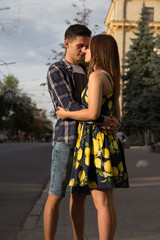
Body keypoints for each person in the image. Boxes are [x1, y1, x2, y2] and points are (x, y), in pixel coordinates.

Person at [44, 24, 120, 240]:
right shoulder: (57, 69)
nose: (85, 50)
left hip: (88, 143)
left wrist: (107, 118)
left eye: (88, 46)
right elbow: (66, 105)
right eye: (80, 46)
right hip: (67, 140)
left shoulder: (91, 71)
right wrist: (101, 117)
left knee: (79, 197)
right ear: (67, 43)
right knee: (56, 194)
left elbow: (103, 102)